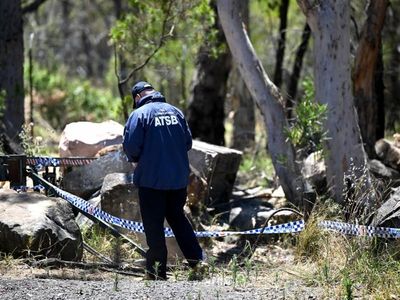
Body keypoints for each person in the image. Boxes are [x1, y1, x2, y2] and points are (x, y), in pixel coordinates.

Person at [123, 81, 204, 280]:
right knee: (178, 218)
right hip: (177, 181)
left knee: (154, 225)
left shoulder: (139, 114)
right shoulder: (176, 112)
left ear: (137, 97)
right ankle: (198, 262)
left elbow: (131, 146)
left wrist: (136, 160)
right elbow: (187, 142)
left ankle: (156, 272)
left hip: (151, 181)